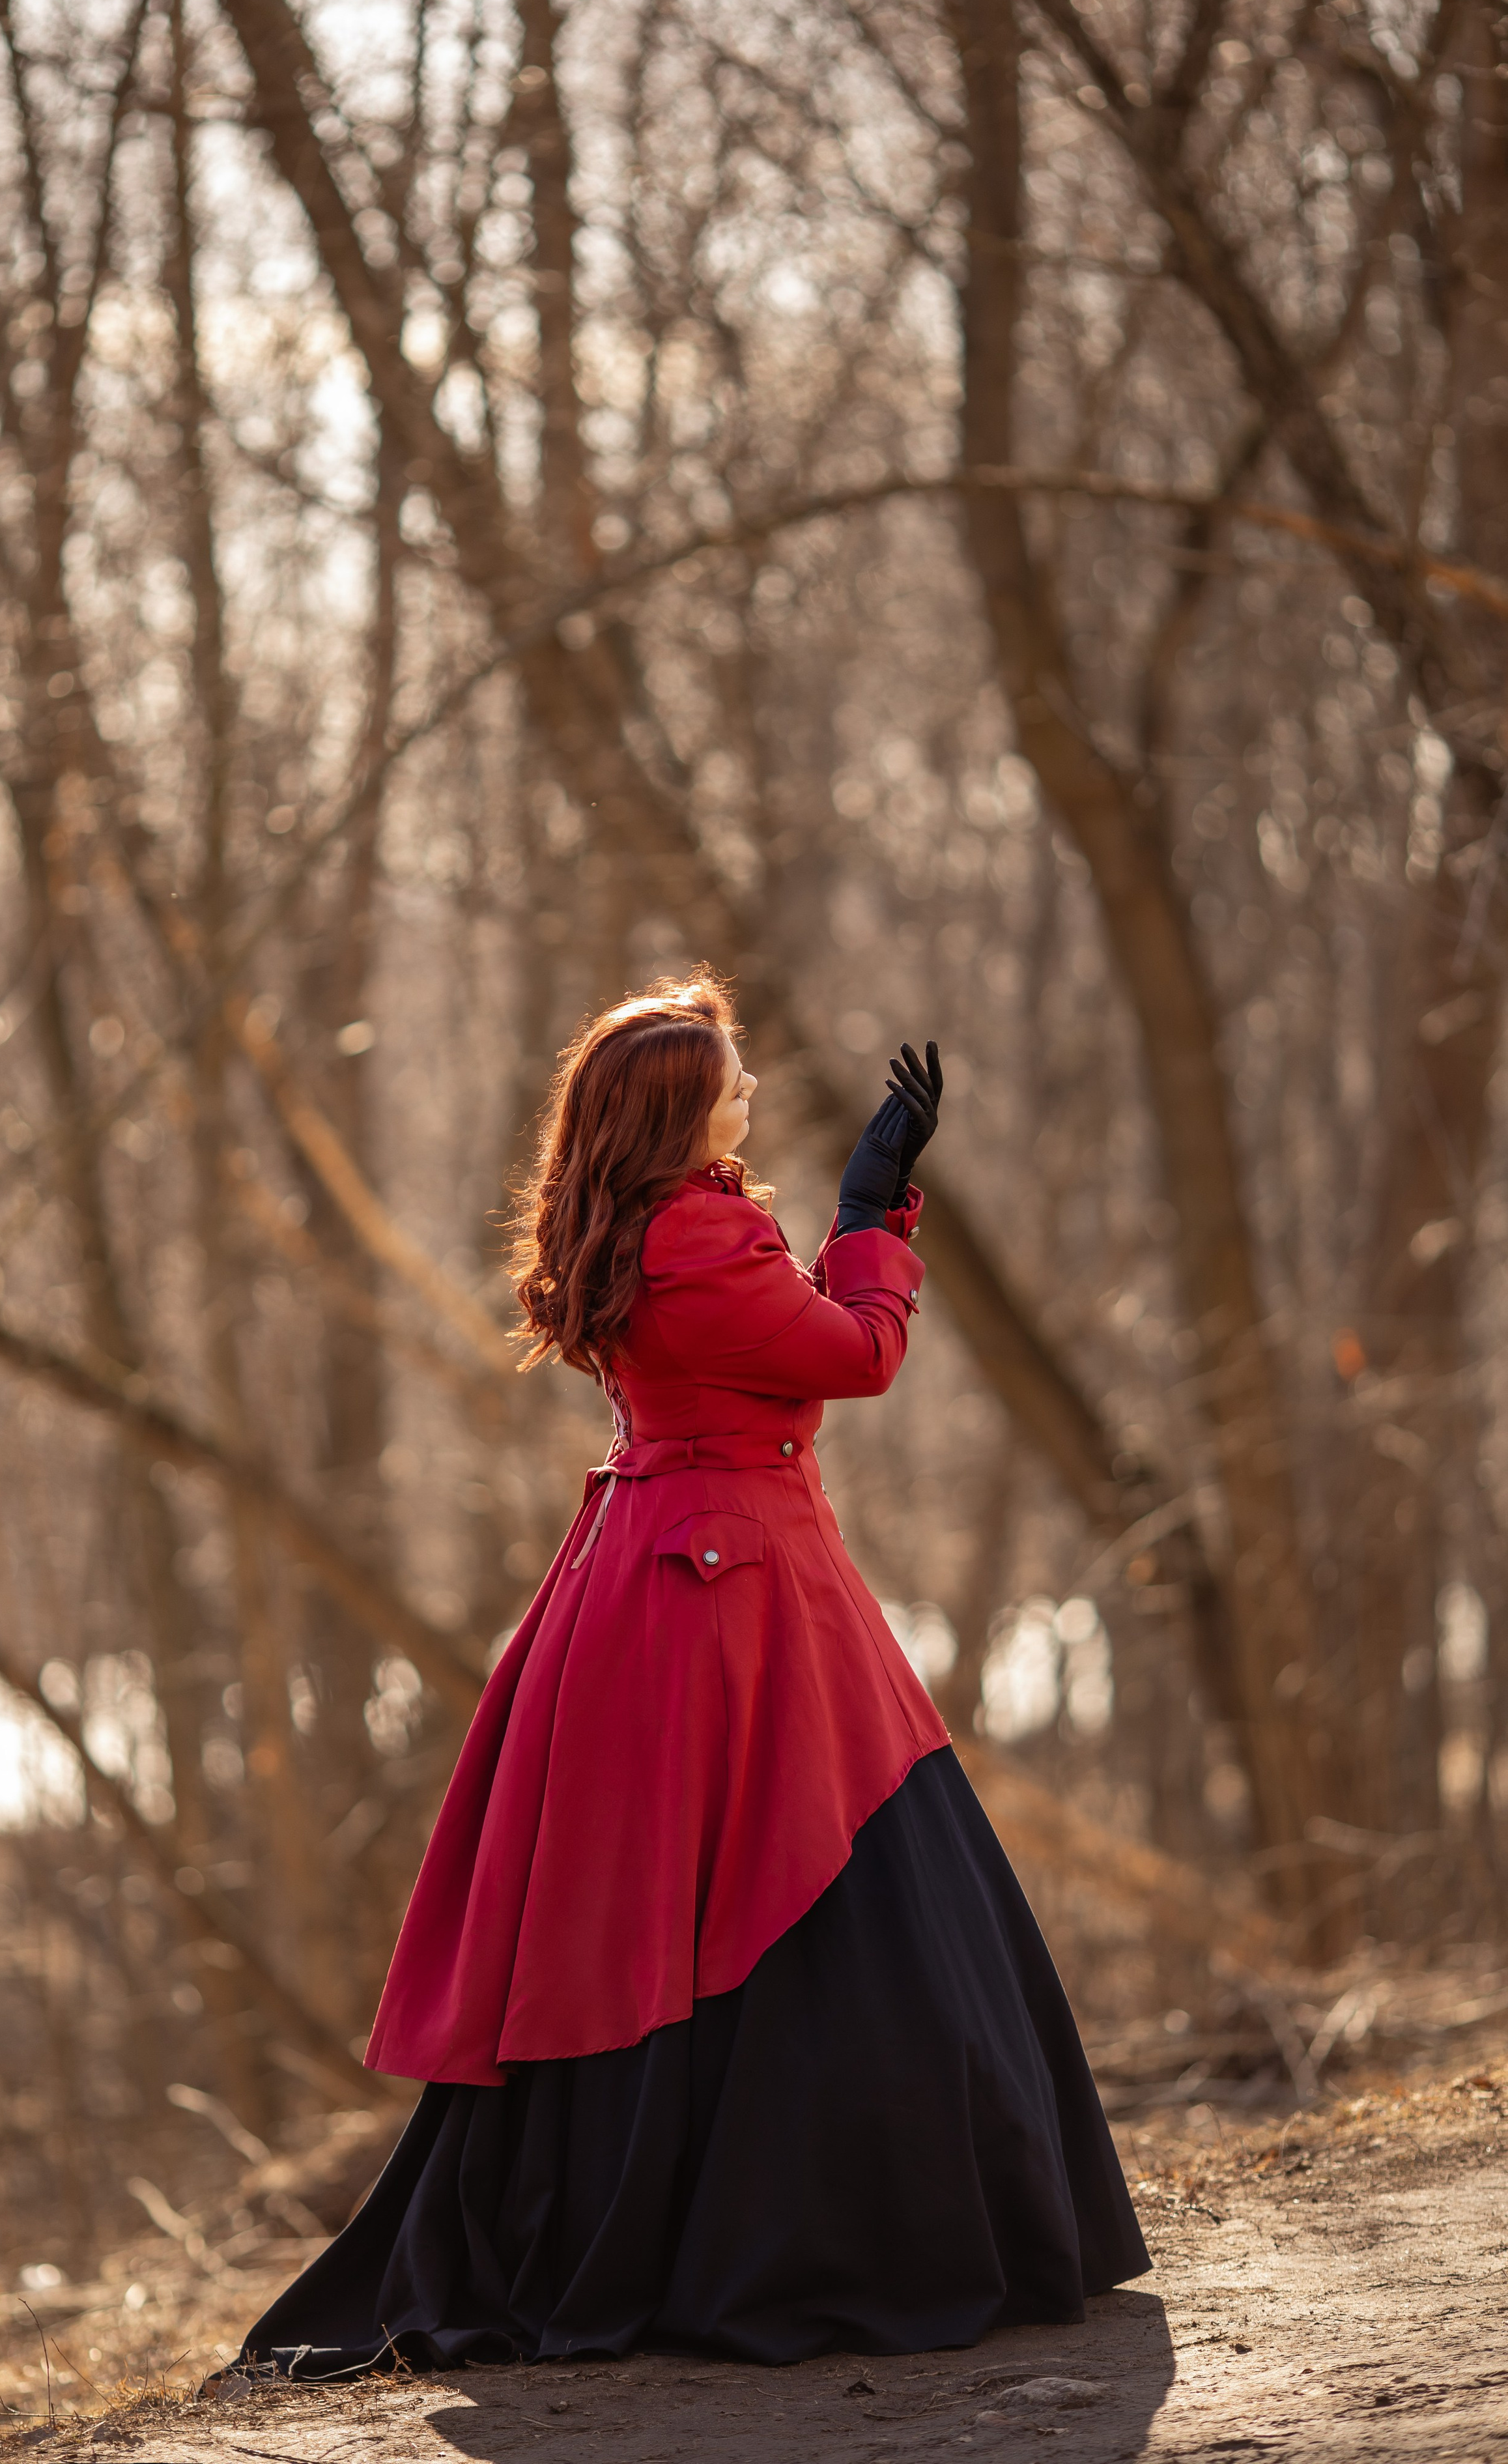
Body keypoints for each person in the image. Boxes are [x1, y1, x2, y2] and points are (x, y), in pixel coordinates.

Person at [241, 970, 1148, 2372]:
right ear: (673, 1115)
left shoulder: (632, 1226)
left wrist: (856, 1210)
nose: (751, 1092)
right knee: (803, 1878)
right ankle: (806, 2235)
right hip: (731, 1589)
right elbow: (857, 1357)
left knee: (656, 1900)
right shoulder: (701, 1239)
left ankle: (674, 2218)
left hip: (664, 1566)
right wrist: (866, 1222)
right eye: (727, 1079)